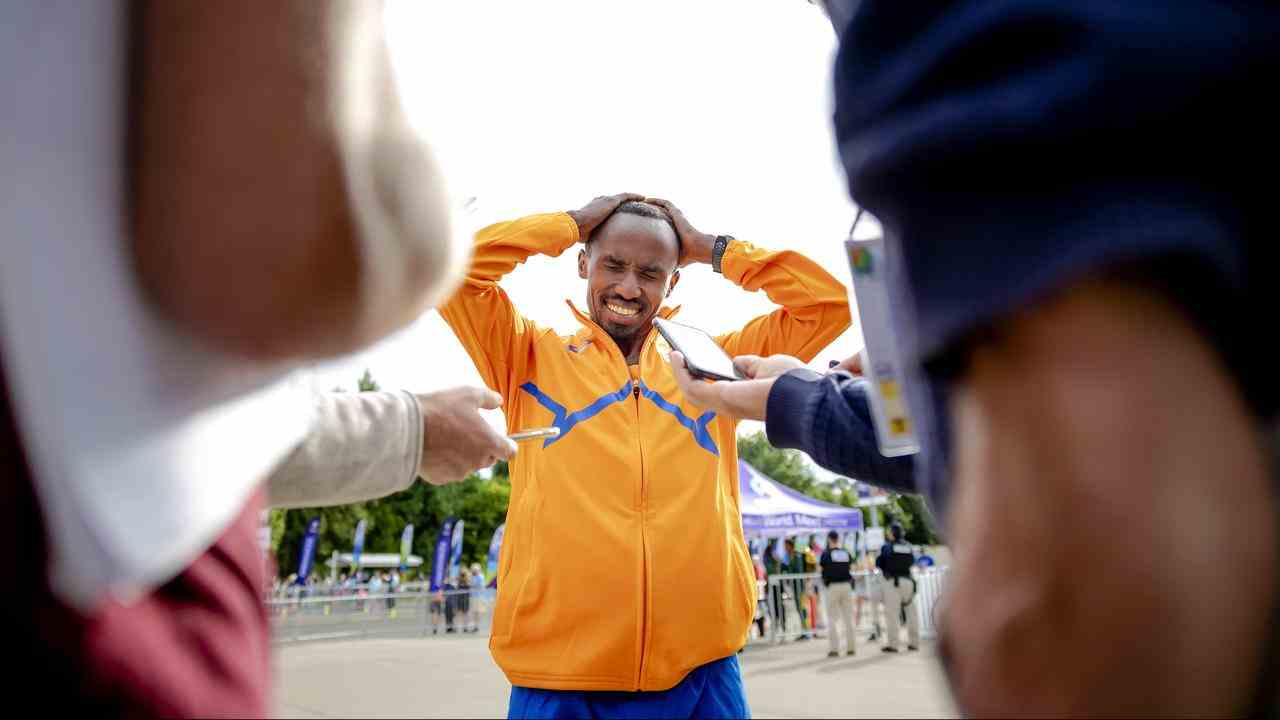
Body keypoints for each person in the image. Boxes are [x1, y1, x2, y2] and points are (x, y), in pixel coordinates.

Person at [439, 192, 850, 717]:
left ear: (673, 281)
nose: (628, 288)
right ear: (584, 263)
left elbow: (826, 305)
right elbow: (455, 273)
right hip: (558, 679)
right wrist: (570, 224)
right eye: (613, 264)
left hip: (701, 670)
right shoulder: (526, 357)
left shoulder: (714, 367)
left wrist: (711, 248)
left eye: (651, 273)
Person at [875, 523, 919, 654]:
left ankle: (894, 644)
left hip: (893, 583)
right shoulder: (908, 546)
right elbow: (912, 561)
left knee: (892, 615)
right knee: (912, 614)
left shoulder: (887, 547)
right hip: (909, 581)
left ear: (892, 533)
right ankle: (914, 643)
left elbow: (879, 563)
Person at [819, 531, 856, 657]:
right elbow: (851, 567)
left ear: (829, 539)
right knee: (848, 618)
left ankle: (834, 649)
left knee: (832, 619)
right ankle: (851, 647)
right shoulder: (846, 552)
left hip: (833, 587)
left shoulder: (826, 554)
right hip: (847, 586)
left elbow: (822, 569)